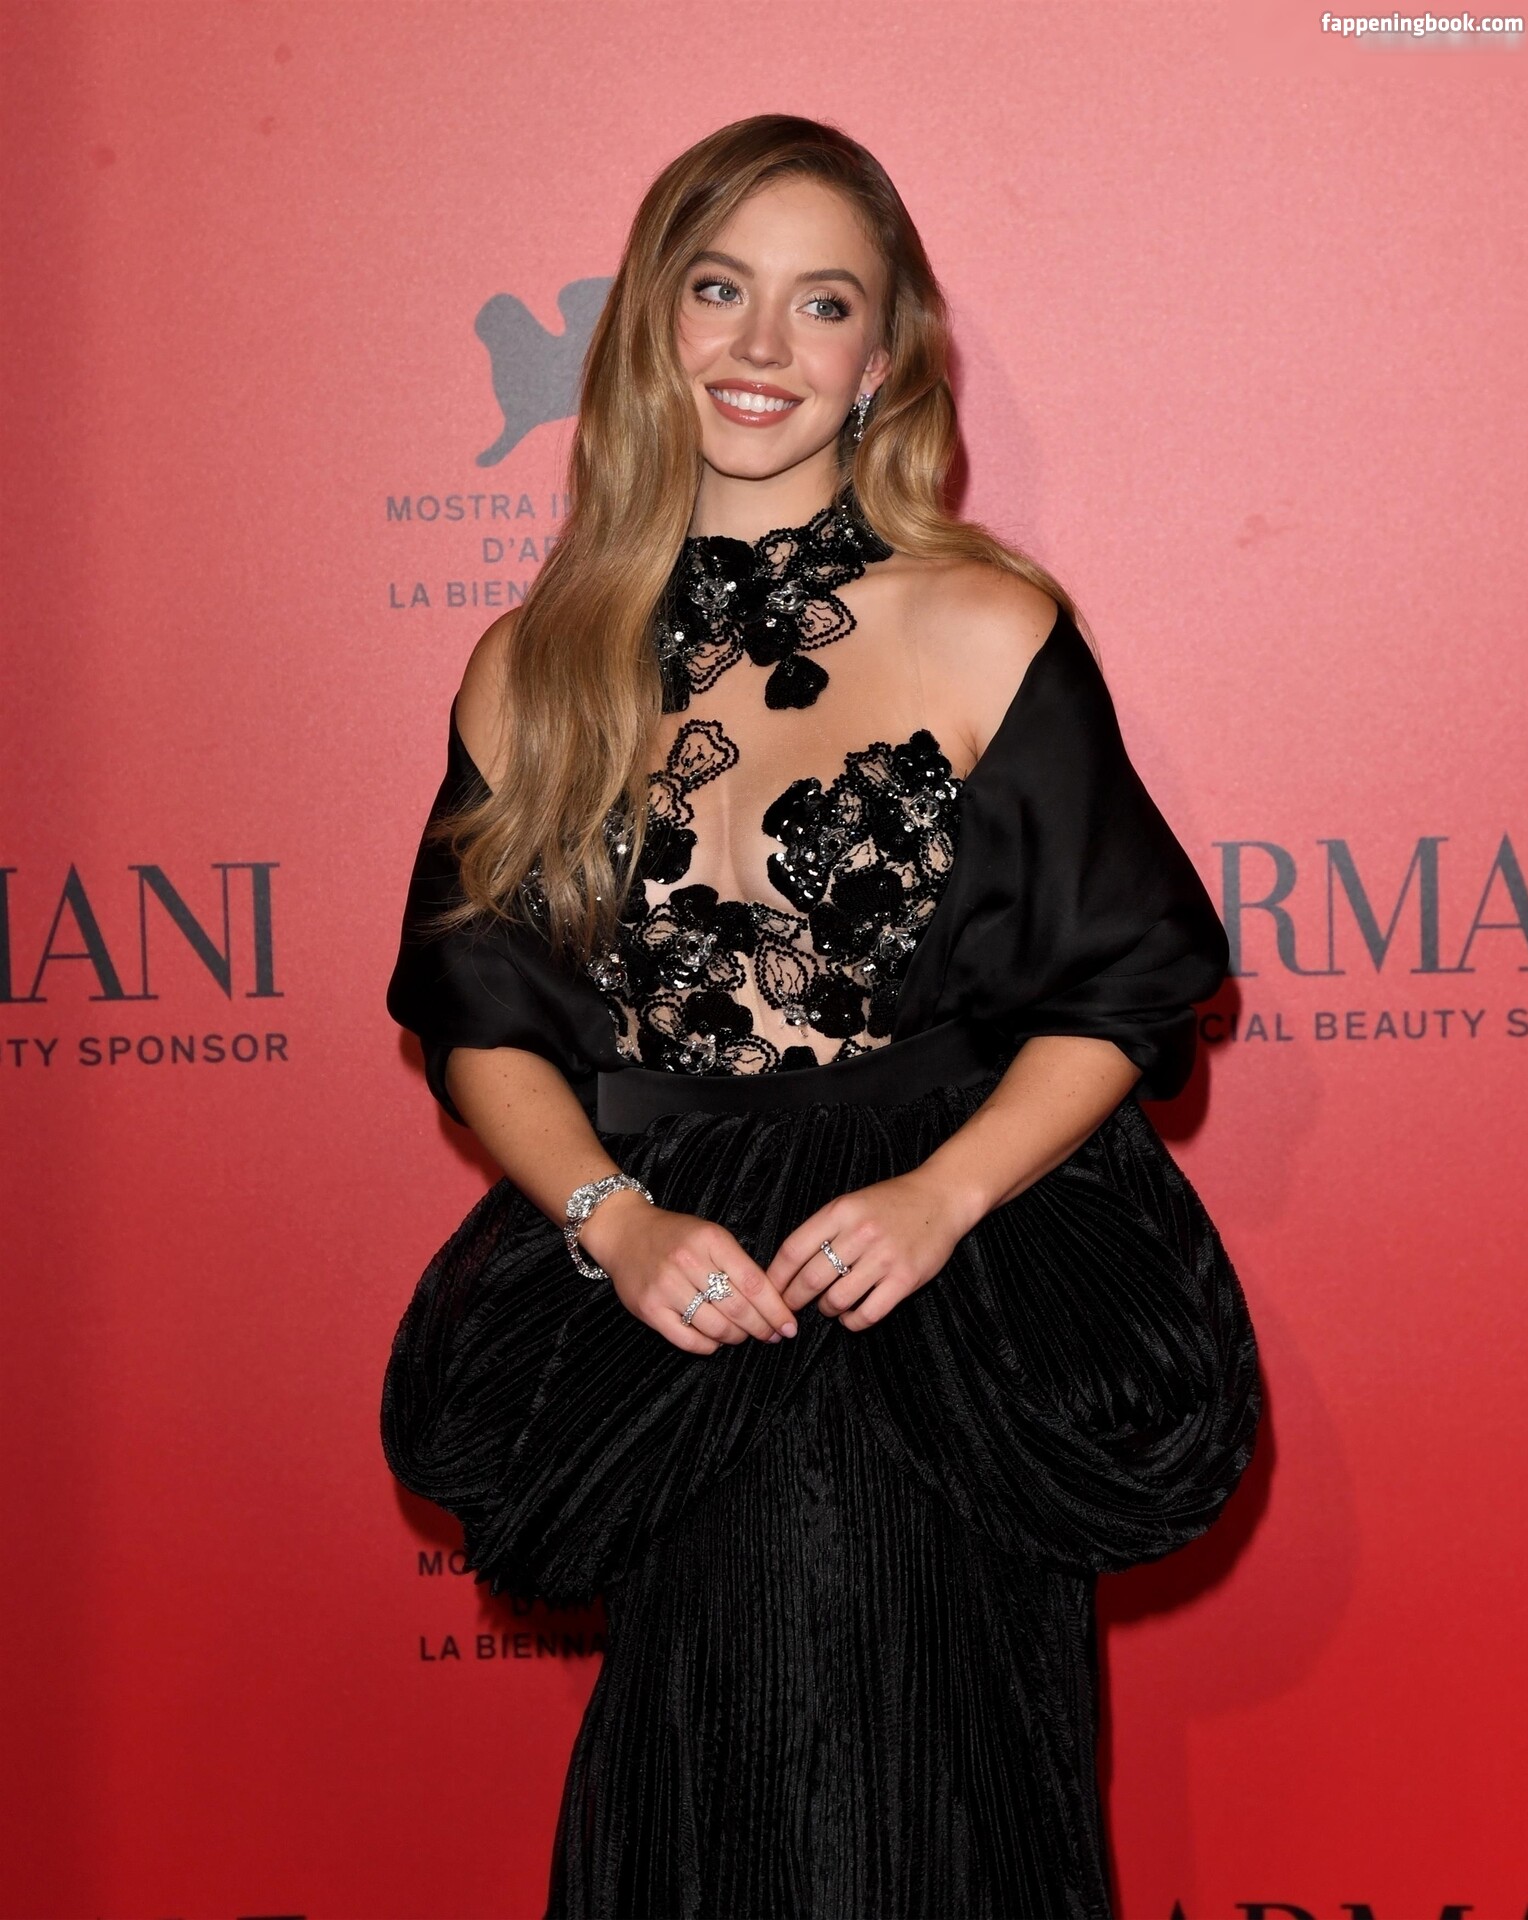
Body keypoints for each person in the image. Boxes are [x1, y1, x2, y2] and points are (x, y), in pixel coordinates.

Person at [380, 113, 1261, 1920]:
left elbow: (1121, 990)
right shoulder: (534, 667)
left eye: (823, 302)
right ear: (651, 320)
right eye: (721, 290)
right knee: (695, 1792)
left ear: (882, 358)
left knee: (947, 1810)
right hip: (679, 1302)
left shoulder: (986, 622)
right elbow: (486, 1024)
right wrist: (612, 1222)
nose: (764, 346)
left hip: (932, 1303)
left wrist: (945, 1195)